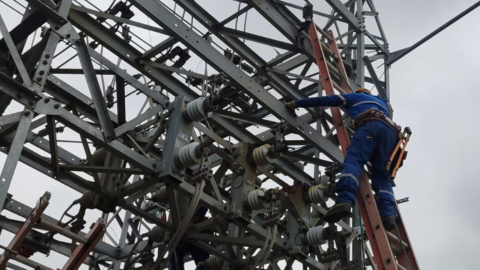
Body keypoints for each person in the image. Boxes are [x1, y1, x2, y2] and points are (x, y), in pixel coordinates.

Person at [285, 88, 400, 230]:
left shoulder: (354, 97)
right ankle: (388, 214)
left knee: (354, 161)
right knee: (382, 176)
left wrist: (297, 103)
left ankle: (344, 200)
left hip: (370, 125)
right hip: (391, 134)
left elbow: (324, 100)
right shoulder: (382, 103)